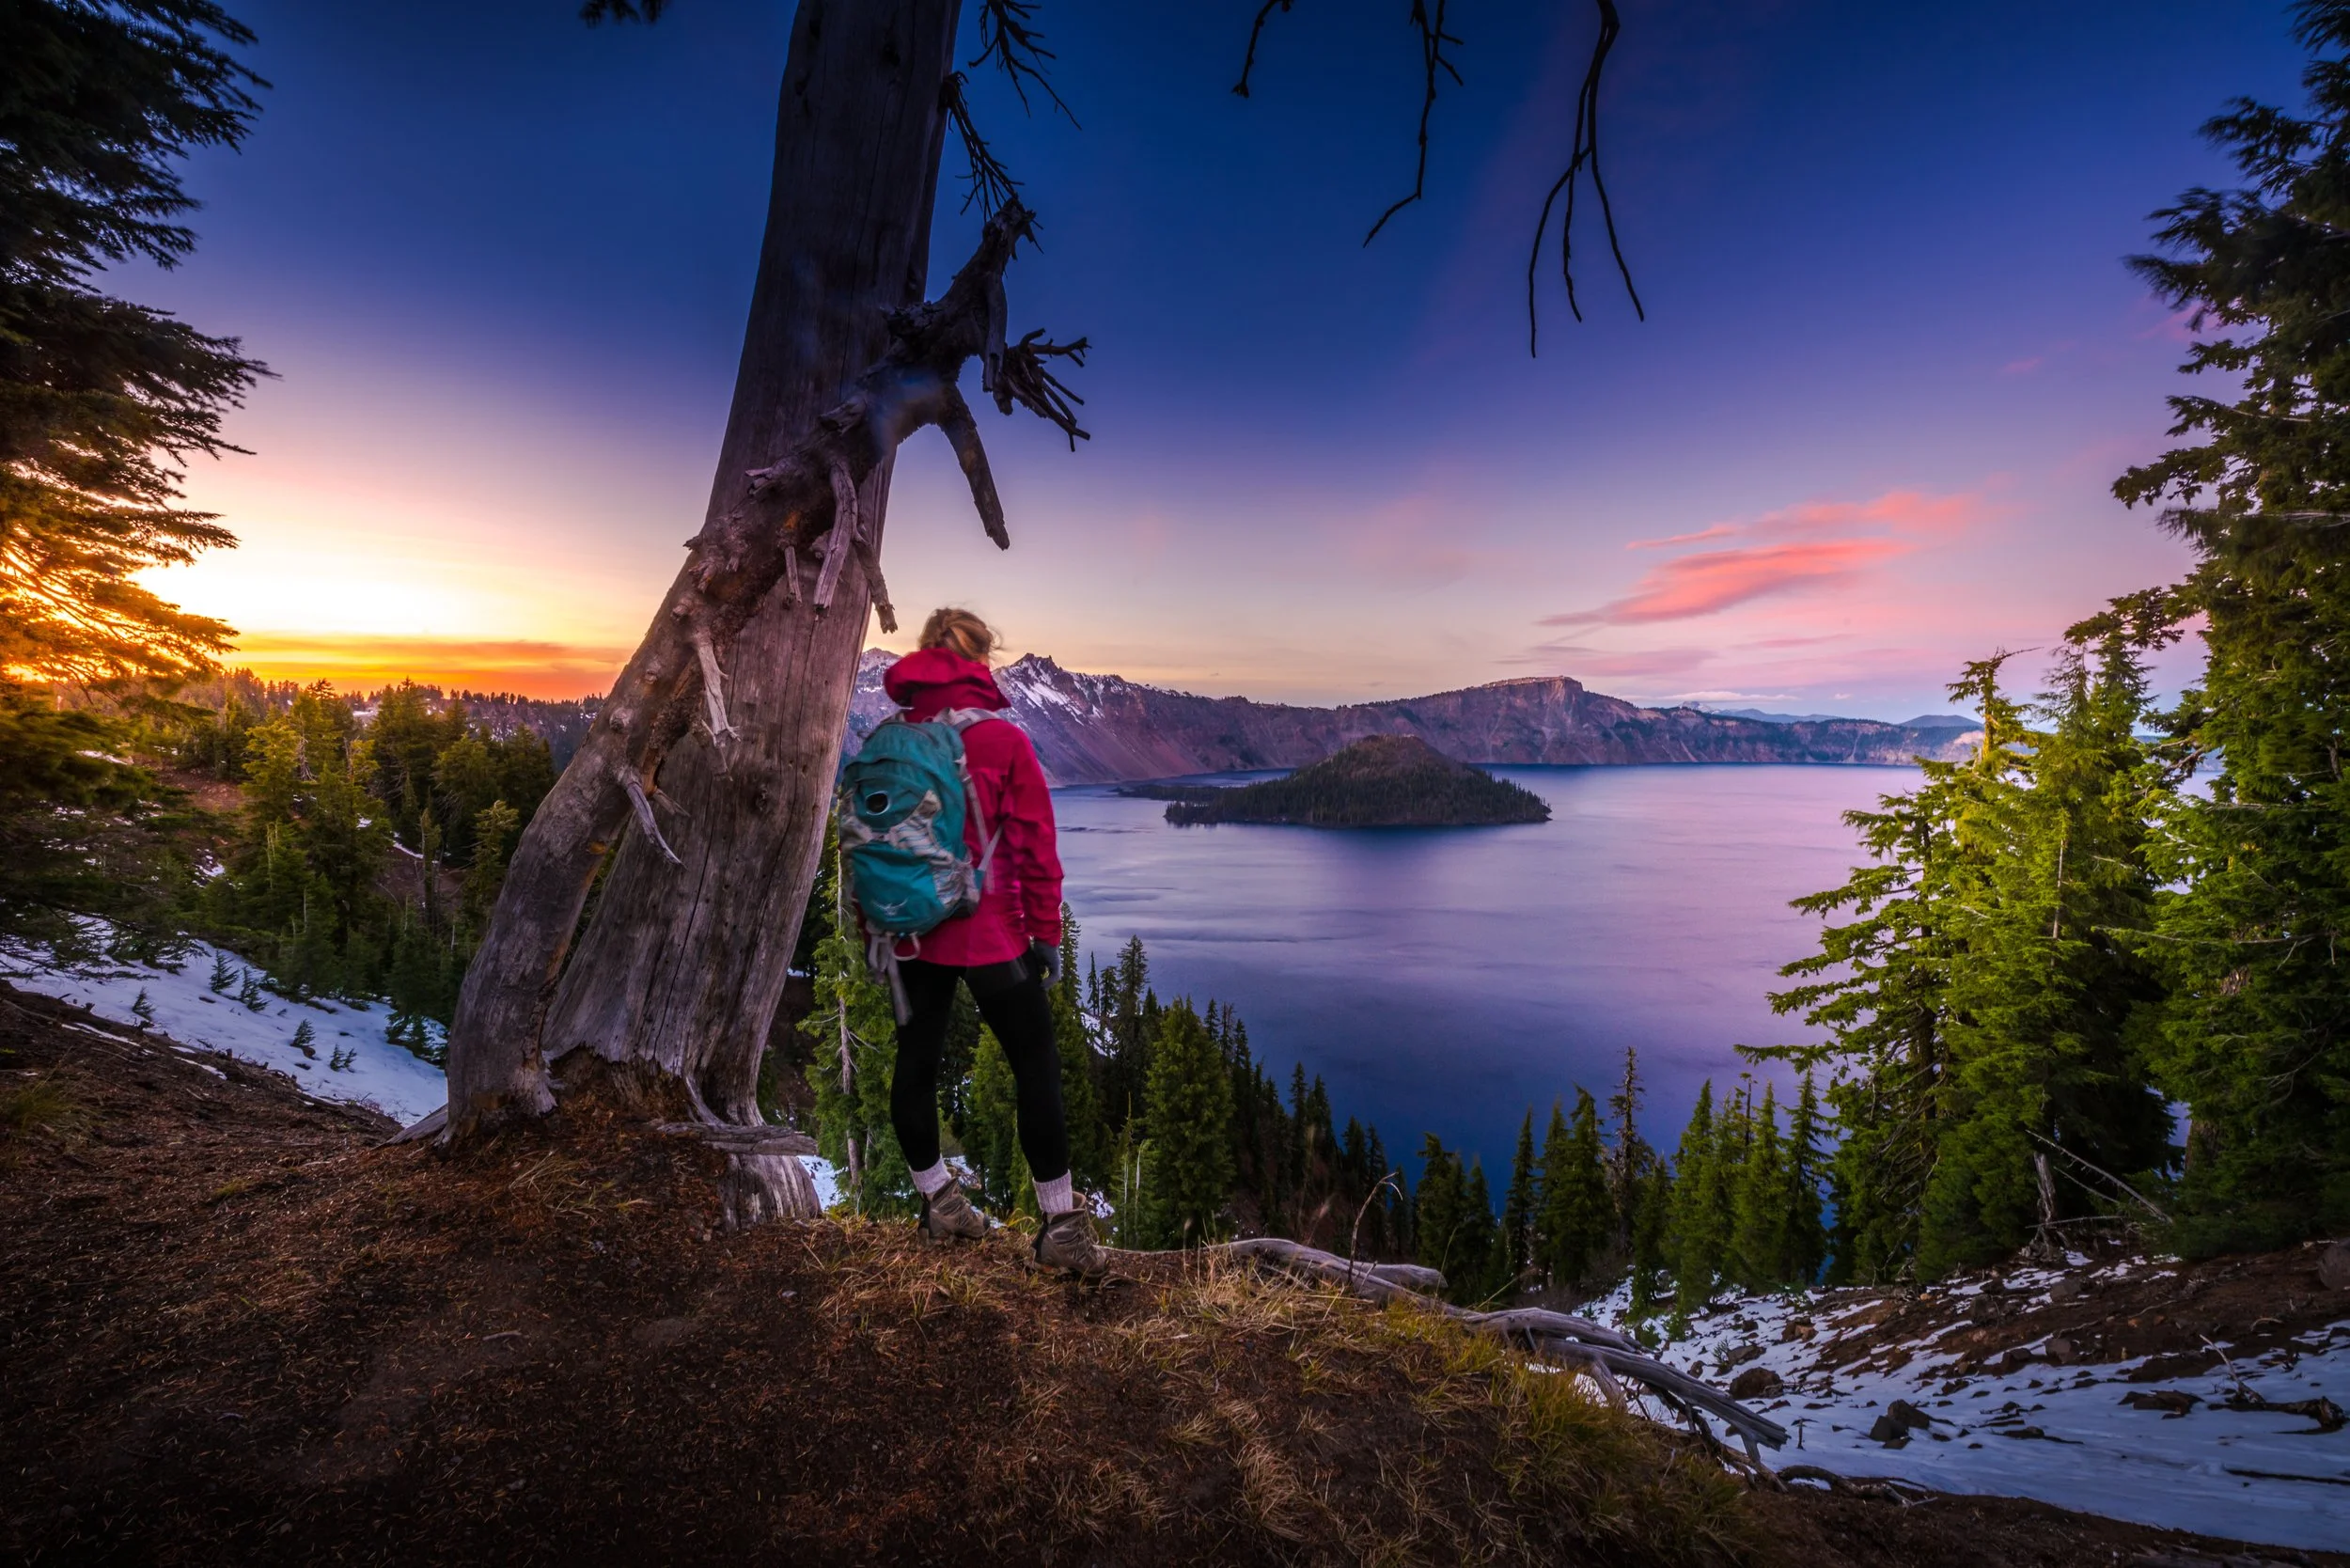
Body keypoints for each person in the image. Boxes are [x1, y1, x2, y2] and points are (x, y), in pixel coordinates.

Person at [873, 607, 1100, 1274]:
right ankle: (1062, 1227)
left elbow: (868, 843)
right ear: (980, 659)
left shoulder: (891, 737)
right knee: (1035, 1067)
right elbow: (1035, 849)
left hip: (913, 936)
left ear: (924, 655)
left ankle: (939, 1203)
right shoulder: (1004, 741)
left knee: (914, 1067)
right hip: (992, 936)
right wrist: (1046, 933)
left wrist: (878, 929)